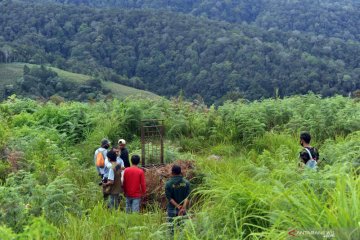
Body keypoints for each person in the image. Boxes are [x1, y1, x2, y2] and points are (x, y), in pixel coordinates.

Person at [165, 165, 190, 234]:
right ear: (180, 172)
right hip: (183, 209)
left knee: (171, 230)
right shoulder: (186, 183)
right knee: (182, 230)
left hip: (172, 209)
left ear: (172, 172)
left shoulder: (168, 184)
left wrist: (178, 206)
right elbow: (187, 197)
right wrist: (183, 208)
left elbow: (169, 198)